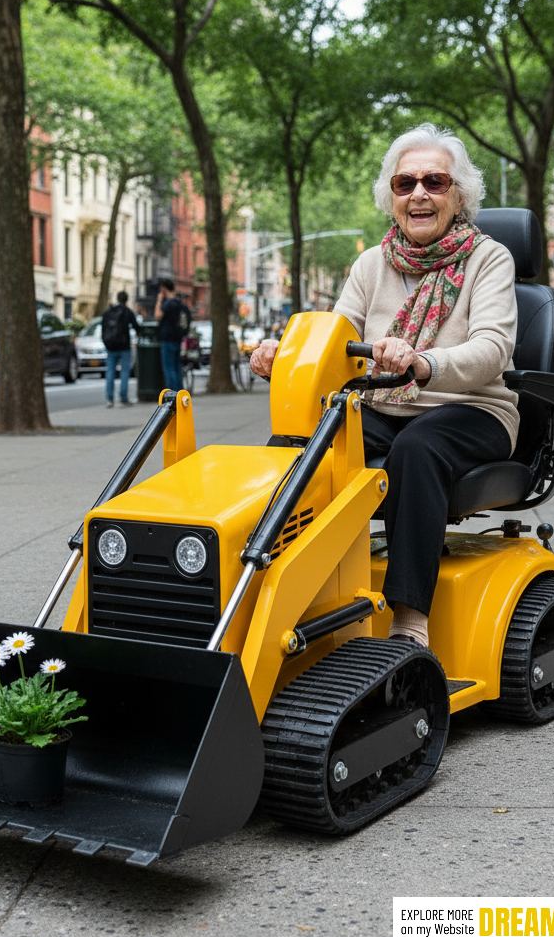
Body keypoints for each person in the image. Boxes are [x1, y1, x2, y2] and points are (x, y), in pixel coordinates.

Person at [250, 123, 518, 648]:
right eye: (405, 184)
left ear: (459, 196)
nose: (419, 193)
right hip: (382, 404)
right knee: (298, 449)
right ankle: (270, 587)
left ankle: (409, 620)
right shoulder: (371, 264)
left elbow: (493, 350)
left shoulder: (489, 258)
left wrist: (423, 362)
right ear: (392, 198)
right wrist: (282, 355)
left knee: (416, 449)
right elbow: (336, 337)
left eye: (435, 182)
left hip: (472, 407)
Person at [102, 290, 140, 407]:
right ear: (126, 299)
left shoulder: (108, 312)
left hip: (111, 346)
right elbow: (136, 327)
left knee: (110, 372)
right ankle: (123, 397)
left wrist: (106, 342)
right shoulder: (127, 312)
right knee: (124, 372)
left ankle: (109, 399)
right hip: (124, 346)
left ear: (117, 298)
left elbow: (103, 328)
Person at [155, 279, 191, 391]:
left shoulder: (168, 304)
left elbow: (157, 316)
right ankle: (180, 393)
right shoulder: (180, 304)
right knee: (177, 367)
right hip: (178, 339)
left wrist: (159, 300)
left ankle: (172, 394)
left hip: (167, 339)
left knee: (169, 368)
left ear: (164, 289)